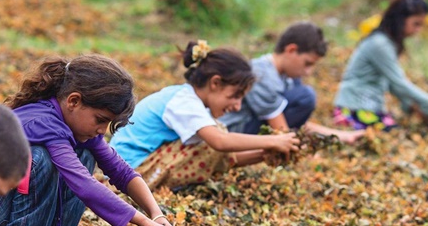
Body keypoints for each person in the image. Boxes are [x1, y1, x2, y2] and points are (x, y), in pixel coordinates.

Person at [0, 54, 175, 226]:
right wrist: (143, 222)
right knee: (40, 159)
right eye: (100, 119)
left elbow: (121, 172)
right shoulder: (43, 123)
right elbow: (85, 185)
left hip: (2, 220)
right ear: (73, 101)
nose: (102, 130)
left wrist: (156, 214)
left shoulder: (76, 126)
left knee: (86, 153)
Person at [110, 40, 301, 190]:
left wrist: (264, 154)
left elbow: (224, 152)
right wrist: (273, 141)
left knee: (214, 136)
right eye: (235, 96)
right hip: (127, 172)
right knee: (212, 142)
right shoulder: (184, 102)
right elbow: (220, 143)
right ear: (215, 83)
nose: (237, 106)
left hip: (133, 166)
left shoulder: (188, 99)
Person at [333, 0, 428, 131]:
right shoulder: (379, 44)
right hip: (354, 108)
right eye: (416, 24)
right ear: (400, 19)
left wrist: (413, 106)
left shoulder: (387, 43)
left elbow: (393, 85)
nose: (418, 30)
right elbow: (400, 83)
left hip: (368, 107)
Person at [218, 22, 364, 144]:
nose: (308, 72)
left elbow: (294, 123)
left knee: (301, 93)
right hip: (234, 131)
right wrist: (296, 148)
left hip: (254, 127)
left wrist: (341, 136)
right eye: (307, 63)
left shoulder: (286, 77)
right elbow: (280, 128)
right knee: (305, 96)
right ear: (291, 50)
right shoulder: (261, 74)